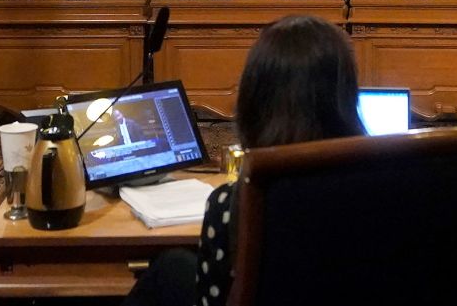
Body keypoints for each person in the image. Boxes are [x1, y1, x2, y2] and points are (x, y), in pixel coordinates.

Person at [122, 16, 365, 306]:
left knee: (167, 270)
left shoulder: (233, 203)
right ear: (347, 96)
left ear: (254, 100)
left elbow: (212, 299)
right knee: (172, 266)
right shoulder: (393, 189)